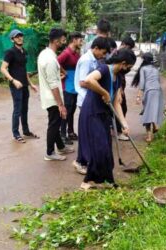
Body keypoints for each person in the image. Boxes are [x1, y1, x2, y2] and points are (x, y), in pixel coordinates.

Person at [79, 48, 136, 190]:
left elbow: (116, 102)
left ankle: (108, 180)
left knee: (107, 149)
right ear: (123, 63)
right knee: (99, 147)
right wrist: (104, 92)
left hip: (104, 114)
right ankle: (87, 182)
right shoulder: (104, 69)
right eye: (129, 67)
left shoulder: (119, 78)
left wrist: (124, 124)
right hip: (92, 113)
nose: (128, 70)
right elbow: (88, 80)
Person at [72, 37, 111, 174]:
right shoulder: (86, 60)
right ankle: (80, 161)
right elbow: (84, 82)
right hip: (85, 100)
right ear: (96, 48)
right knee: (86, 133)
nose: (104, 55)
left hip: (90, 100)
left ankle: (88, 160)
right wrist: (100, 89)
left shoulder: (94, 60)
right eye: (103, 52)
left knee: (90, 133)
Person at [38, 28, 75, 161]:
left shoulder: (45, 54)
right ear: (55, 40)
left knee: (56, 122)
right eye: (62, 39)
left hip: (50, 96)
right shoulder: (50, 60)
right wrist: (61, 104)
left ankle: (60, 146)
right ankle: (49, 152)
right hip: (53, 98)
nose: (64, 42)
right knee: (54, 125)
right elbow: (53, 85)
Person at [0, 29, 39, 143]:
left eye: (21, 36)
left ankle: (26, 131)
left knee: (25, 109)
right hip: (15, 86)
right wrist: (13, 80)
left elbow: (24, 69)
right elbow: (2, 68)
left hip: (24, 85)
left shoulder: (24, 52)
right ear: (12, 39)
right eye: (17, 37)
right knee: (17, 110)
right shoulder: (10, 52)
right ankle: (16, 133)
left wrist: (31, 84)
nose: (20, 38)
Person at [132, 52, 165, 143]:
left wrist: (138, 96)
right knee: (154, 110)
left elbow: (142, 84)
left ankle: (149, 137)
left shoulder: (143, 69)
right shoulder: (156, 69)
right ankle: (155, 125)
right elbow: (158, 81)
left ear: (144, 60)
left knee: (147, 112)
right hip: (158, 90)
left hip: (149, 91)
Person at [57, 31, 83, 145]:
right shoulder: (66, 53)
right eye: (80, 40)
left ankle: (70, 132)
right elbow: (56, 63)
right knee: (66, 111)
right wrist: (63, 72)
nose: (81, 42)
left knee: (72, 110)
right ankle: (62, 135)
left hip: (74, 86)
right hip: (67, 86)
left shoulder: (76, 53)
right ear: (74, 40)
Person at [115, 36, 135, 141]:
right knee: (122, 107)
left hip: (120, 84)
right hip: (117, 85)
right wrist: (119, 89)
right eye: (129, 47)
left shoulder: (121, 54)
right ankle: (118, 131)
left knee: (121, 107)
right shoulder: (118, 55)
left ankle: (116, 128)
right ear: (124, 45)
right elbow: (118, 73)